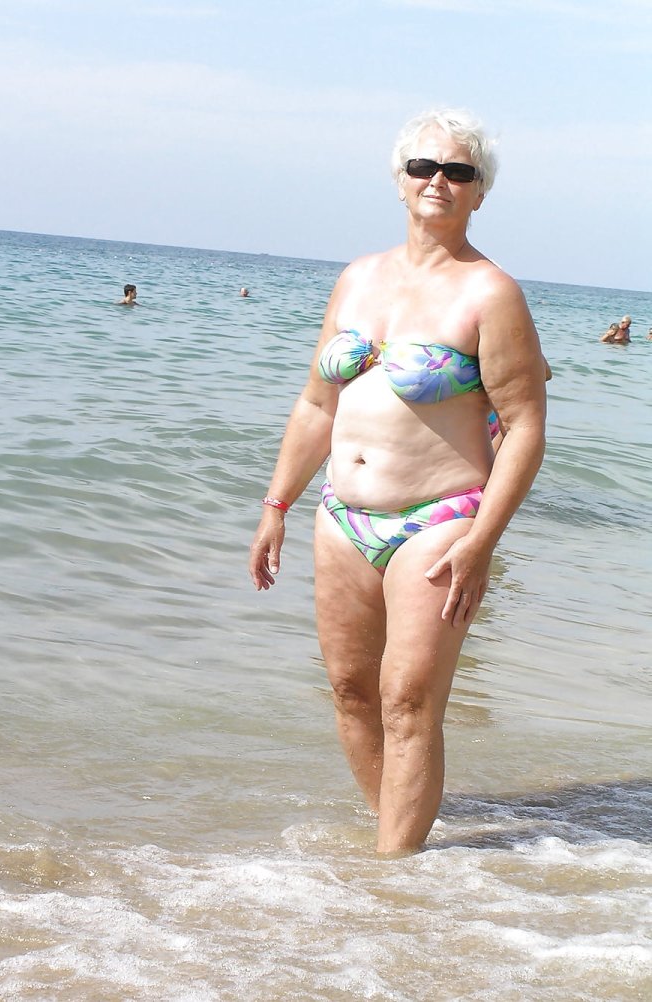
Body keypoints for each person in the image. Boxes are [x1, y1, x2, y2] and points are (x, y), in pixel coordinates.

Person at [249, 108, 547, 855]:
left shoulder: (491, 293)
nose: (438, 182)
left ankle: (393, 879)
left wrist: (482, 541)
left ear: (480, 193)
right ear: (400, 180)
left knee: (408, 703)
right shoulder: (357, 279)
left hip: (439, 521)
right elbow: (318, 402)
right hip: (340, 519)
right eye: (424, 167)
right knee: (352, 696)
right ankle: (401, 867)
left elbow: (525, 428)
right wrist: (276, 503)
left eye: (459, 172)